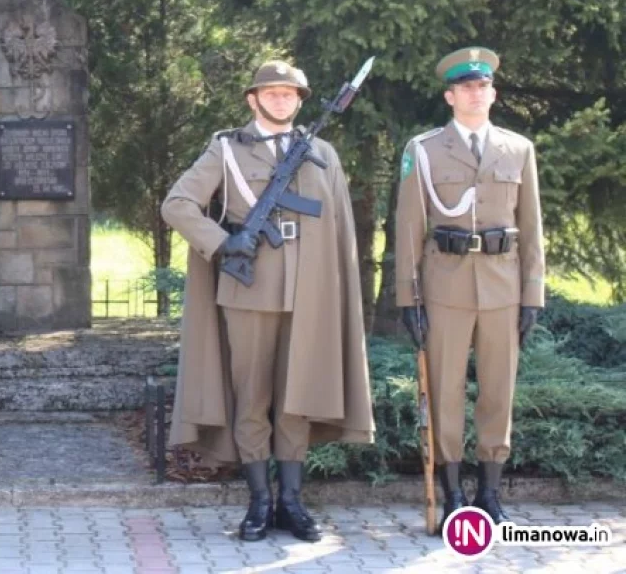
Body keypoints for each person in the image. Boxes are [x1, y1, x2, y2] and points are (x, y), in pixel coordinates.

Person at [162, 60, 374, 543]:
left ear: (301, 101)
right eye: (271, 92)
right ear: (252, 99)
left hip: (309, 293)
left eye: (290, 93)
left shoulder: (322, 153)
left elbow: (339, 229)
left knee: (296, 400)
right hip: (250, 288)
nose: (281, 100)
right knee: (253, 400)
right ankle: (259, 503)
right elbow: (177, 204)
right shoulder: (226, 150)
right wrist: (221, 242)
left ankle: (292, 504)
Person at [395, 46, 544, 529]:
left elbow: (533, 227)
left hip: (503, 287)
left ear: (493, 93)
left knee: (498, 391)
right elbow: (408, 228)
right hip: (445, 287)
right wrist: (407, 298)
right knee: (446, 391)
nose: (474, 93)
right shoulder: (424, 150)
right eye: (465, 87)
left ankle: (490, 492)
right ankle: (453, 489)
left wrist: (532, 295)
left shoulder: (518, 149)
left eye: (482, 86)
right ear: (449, 96)